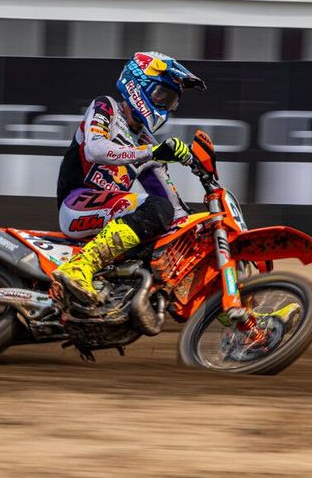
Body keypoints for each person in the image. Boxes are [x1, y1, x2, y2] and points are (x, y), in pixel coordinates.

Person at [52, 51, 206, 305]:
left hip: (108, 214)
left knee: (175, 224)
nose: (164, 105)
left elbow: (173, 206)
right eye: (161, 95)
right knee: (156, 209)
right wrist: (150, 152)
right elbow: (95, 149)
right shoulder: (106, 107)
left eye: (170, 102)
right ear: (138, 85)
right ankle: (79, 267)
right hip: (76, 205)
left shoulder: (146, 140)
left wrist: (199, 228)